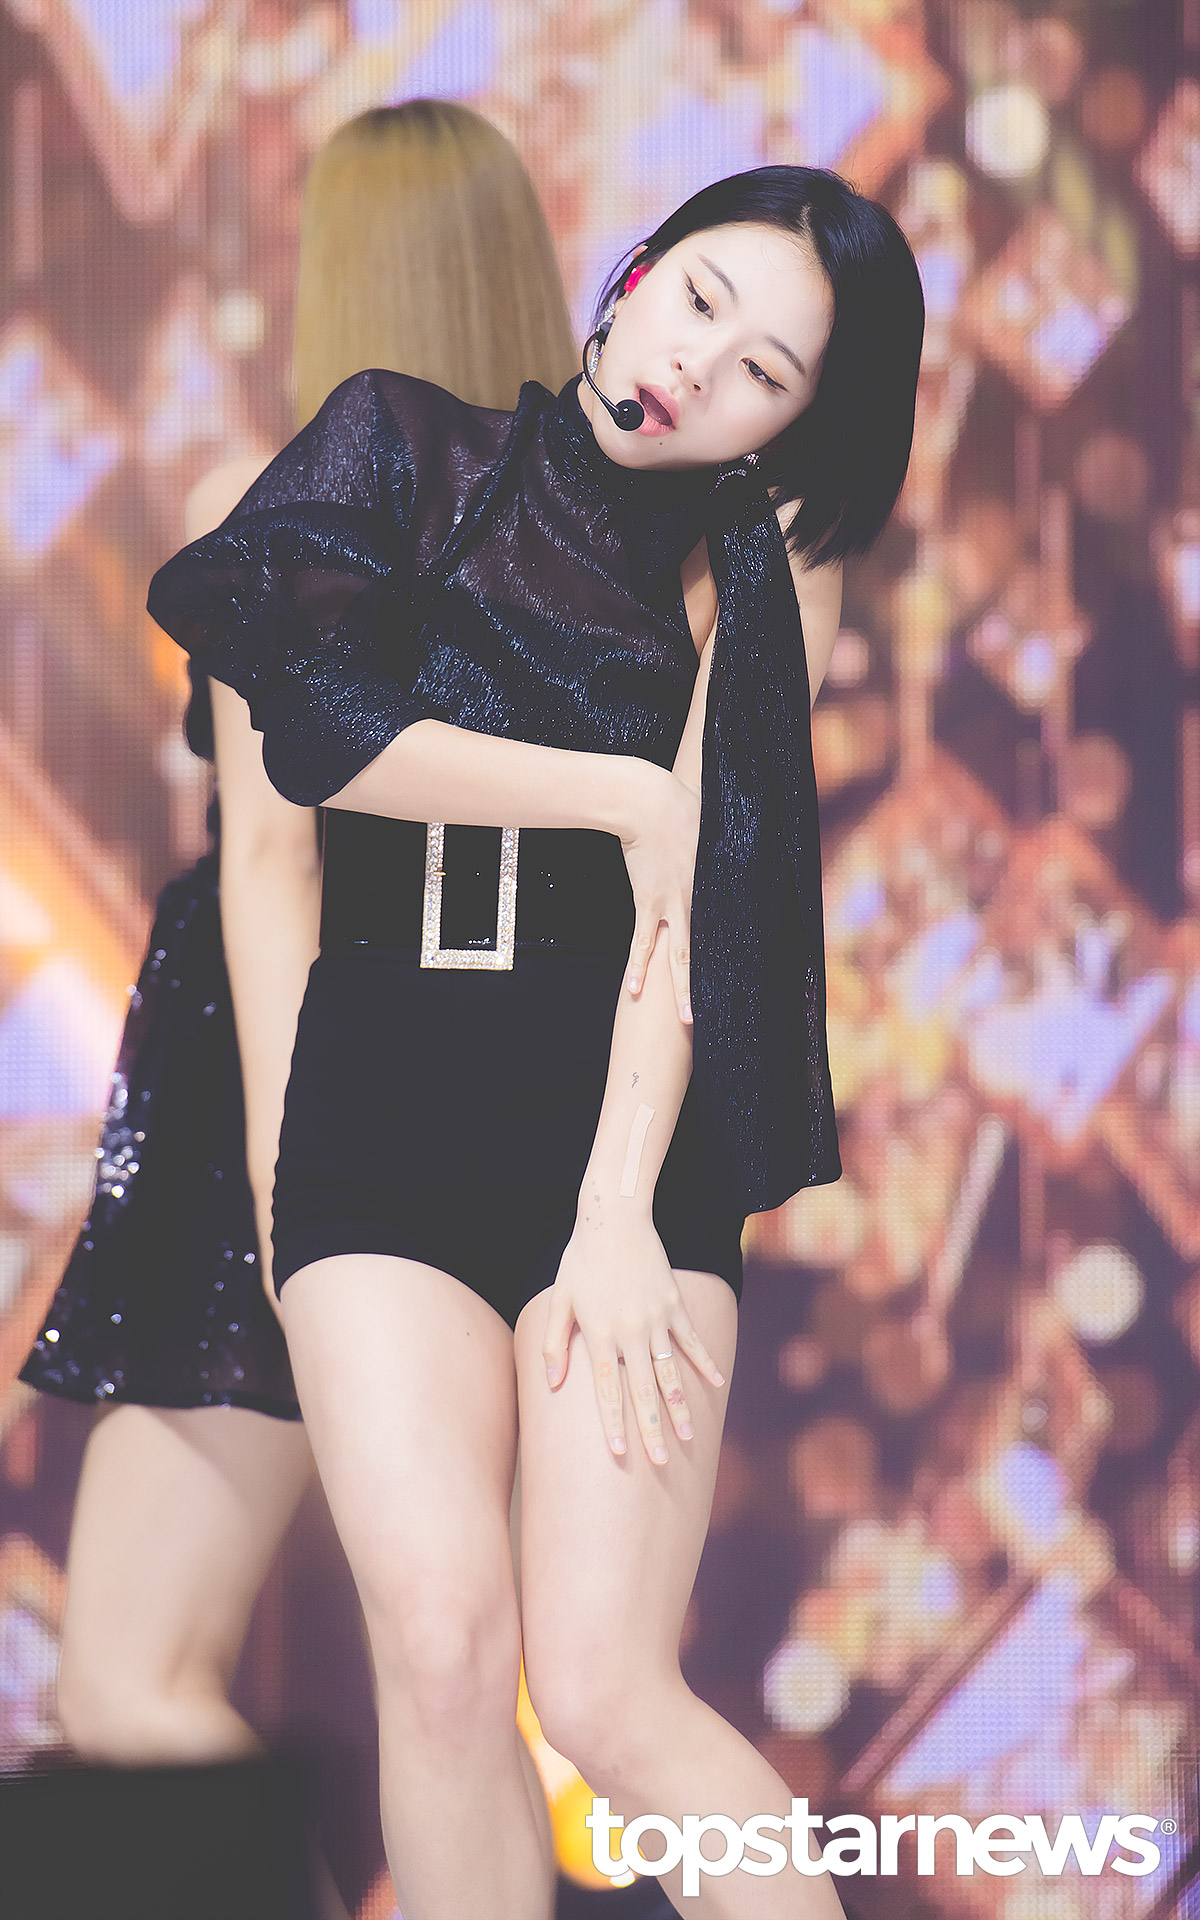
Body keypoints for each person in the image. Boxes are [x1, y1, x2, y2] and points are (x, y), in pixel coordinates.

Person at [148, 165, 924, 1919]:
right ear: (637, 271)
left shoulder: (753, 575)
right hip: (376, 1109)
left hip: (625, 1143)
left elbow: (708, 916)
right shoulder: (398, 446)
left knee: (602, 1693)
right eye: (701, 299)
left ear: (793, 430)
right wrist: (619, 793)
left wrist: (617, 1216)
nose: (700, 365)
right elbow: (319, 734)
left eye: (765, 372)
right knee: (435, 1644)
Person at [19, 97, 576, 1893]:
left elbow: (273, 864)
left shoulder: (274, 507)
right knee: (454, 1670)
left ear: (341, 269)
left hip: (272, 1094)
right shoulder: (596, 536)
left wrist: (280, 1184)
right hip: (507, 1081)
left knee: (142, 1676)